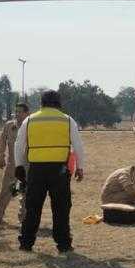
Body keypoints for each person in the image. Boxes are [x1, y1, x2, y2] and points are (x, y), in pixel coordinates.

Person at [15, 89, 86, 253]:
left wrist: (19, 166)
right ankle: (63, 244)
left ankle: (26, 243)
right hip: (59, 170)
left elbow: (19, 144)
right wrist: (80, 167)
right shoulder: (68, 120)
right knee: (61, 209)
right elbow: (78, 147)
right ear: (59, 103)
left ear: (41, 103)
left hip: (36, 170)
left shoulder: (30, 120)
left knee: (32, 208)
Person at [0, 102, 30, 224]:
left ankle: (24, 220)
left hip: (27, 167)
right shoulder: (9, 126)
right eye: (17, 112)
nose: (18, 114)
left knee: (25, 194)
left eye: (21, 112)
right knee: (6, 191)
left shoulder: (31, 126)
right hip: (12, 166)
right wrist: (0, 157)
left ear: (27, 113)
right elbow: (2, 141)